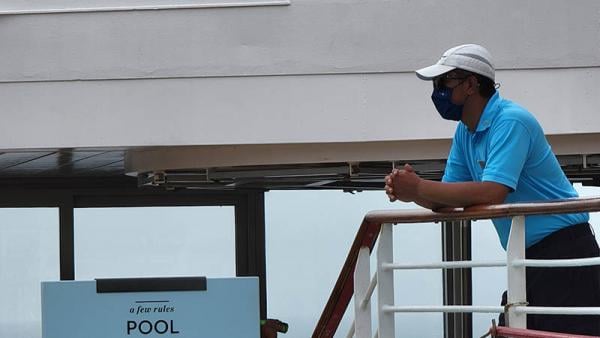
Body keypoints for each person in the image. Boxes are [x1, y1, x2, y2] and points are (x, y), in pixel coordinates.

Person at [384, 44, 600, 335]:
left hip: (565, 253)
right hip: (525, 257)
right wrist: (412, 192)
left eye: (444, 82)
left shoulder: (511, 121)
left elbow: (493, 192)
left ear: (471, 84)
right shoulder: (466, 132)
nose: (438, 92)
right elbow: (447, 199)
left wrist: (420, 186)